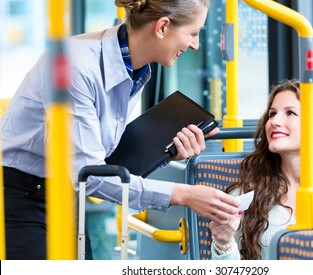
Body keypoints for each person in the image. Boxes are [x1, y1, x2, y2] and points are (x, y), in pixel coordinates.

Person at [1, 0, 239, 260]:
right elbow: (90, 175)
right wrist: (185, 195)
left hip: (64, 194)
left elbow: (103, 158)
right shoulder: (74, 66)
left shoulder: (135, 68)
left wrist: (166, 152)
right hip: (18, 195)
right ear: (162, 27)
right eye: (193, 33)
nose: (195, 45)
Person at [209, 79, 313, 260]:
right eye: (272, 114)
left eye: (290, 113)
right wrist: (223, 242)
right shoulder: (245, 197)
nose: (274, 121)